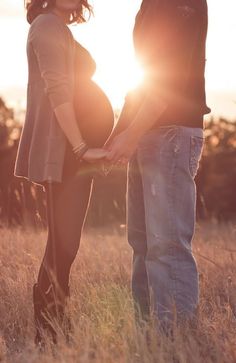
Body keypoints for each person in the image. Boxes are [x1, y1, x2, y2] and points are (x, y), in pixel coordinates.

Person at [106, 0, 211, 331]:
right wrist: (116, 137)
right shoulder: (149, 5)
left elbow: (167, 78)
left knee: (167, 244)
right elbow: (142, 79)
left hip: (171, 135)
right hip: (146, 133)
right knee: (142, 243)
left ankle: (176, 340)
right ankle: (148, 335)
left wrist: (130, 135)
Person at [14, 0, 108, 345]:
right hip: (65, 152)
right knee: (63, 245)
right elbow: (57, 90)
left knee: (64, 244)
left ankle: (53, 326)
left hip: (73, 154)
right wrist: (82, 146)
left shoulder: (58, 27)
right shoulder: (46, 26)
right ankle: (48, 331)